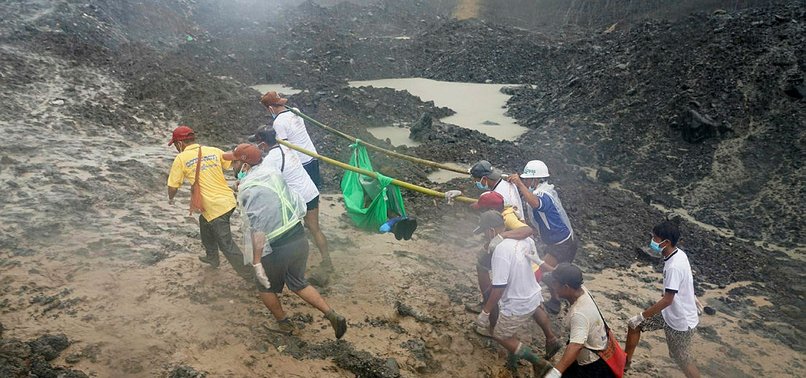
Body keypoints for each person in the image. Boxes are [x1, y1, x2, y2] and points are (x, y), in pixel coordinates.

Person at [225, 143, 347, 338]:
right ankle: (332, 314)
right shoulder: (272, 172)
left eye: (235, 162)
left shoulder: (248, 188)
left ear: (244, 164)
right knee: (298, 282)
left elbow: (258, 228)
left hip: (277, 246)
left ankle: (285, 325)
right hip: (298, 236)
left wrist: (257, 262)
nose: (233, 166)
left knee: (264, 286)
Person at [166, 126, 252, 282]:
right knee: (204, 222)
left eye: (176, 145)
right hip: (227, 200)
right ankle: (212, 257)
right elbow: (233, 163)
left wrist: (171, 198)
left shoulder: (181, 159)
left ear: (180, 143)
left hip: (215, 207)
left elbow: (172, 186)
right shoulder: (213, 150)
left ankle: (251, 276)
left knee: (226, 244)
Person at [474, 211, 554, 376]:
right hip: (534, 296)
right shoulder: (525, 240)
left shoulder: (500, 251)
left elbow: (499, 287)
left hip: (518, 303)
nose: (485, 237)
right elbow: (534, 265)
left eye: (484, 233)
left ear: (490, 231)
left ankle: (538, 362)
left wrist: (485, 312)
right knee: (509, 329)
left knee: (499, 335)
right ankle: (512, 362)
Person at [624, 221, 700, 378]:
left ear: (667, 242)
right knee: (634, 326)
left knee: (682, 359)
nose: (652, 240)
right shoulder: (679, 254)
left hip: (680, 321)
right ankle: (624, 364)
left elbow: (667, 300)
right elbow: (685, 281)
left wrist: (642, 315)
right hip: (667, 313)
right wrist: (690, 295)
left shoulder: (673, 266)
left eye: (656, 238)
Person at [251, 127, 332, 268]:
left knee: (288, 231)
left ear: (263, 144)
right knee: (315, 228)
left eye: (258, 144)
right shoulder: (287, 147)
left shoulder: (270, 160)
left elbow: (264, 182)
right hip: (310, 191)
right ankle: (327, 260)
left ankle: (291, 262)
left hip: (298, 198)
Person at [507, 160, 576, 314]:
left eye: (527, 179)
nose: (525, 181)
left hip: (561, 244)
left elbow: (536, 203)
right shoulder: (545, 190)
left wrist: (519, 185)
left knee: (539, 272)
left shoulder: (543, 194)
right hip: (560, 241)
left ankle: (531, 303)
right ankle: (556, 301)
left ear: (535, 180)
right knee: (553, 275)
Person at [544, 263, 615, 378]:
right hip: (593, 351)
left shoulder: (579, 314)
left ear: (566, 287)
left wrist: (555, 373)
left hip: (590, 366)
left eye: (555, 284)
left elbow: (576, 346)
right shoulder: (581, 289)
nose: (553, 286)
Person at [260, 91, 322, 191]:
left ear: (270, 108)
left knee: (303, 195)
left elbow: (285, 147)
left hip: (301, 162)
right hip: (312, 155)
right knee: (314, 191)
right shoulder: (295, 111)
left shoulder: (278, 122)